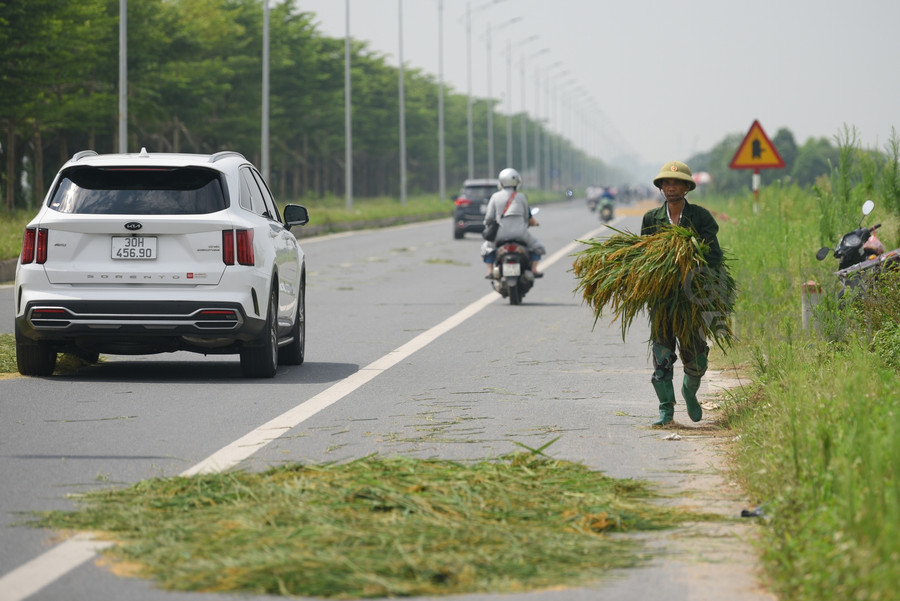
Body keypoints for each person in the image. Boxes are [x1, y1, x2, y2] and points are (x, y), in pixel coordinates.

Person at [641, 160, 722, 426]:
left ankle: (689, 392)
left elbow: (715, 256)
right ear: (661, 187)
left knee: (696, 359)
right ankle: (666, 412)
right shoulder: (651, 219)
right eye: (667, 183)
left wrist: (692, 255)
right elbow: (643, 256)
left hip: (692, 298)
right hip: (662, 299)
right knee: (662, 357)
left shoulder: (701, 217)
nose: (671, 187)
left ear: (687, 187)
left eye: (677, 183)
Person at [482, 167, 546, 278]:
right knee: (537, 246)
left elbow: (488, 217)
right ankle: (534, 269)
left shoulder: (495, 197)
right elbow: (527, 216)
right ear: (517, 182)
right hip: (520, 234)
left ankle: (490, 270)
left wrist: (488, 223)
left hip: (499, 235)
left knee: (487, 248)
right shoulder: (521, 197)